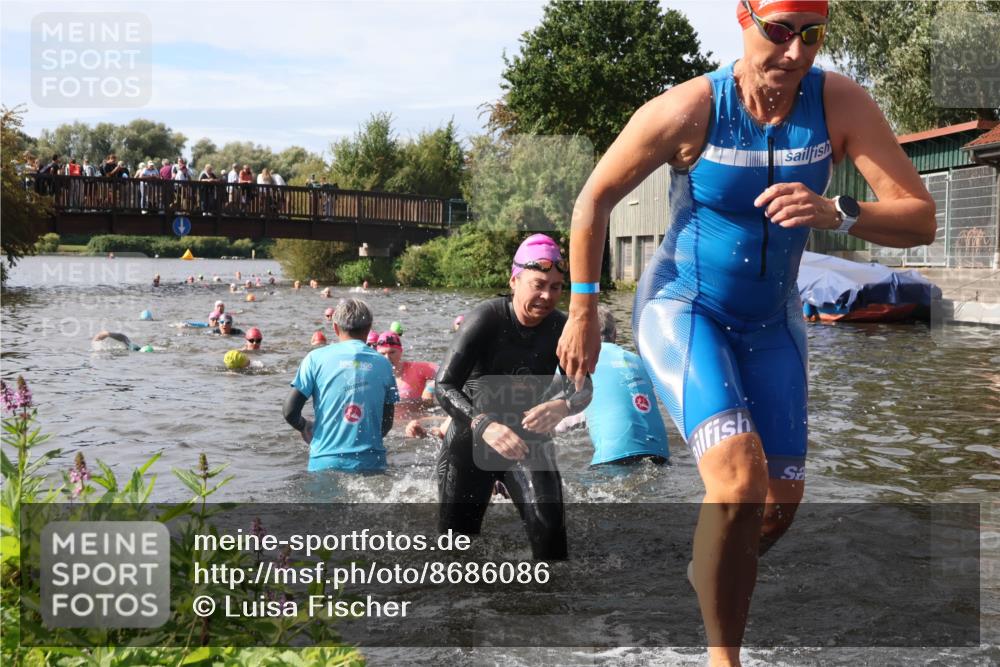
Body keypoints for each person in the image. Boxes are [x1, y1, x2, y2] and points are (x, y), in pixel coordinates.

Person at [555, 2, 936, 664]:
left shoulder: (839, 102)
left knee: (776, 505)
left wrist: (837, 210)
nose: (793, 53)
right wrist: (583, 309)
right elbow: (594, 199)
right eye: (779, 31)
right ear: (744, 17)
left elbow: (920, 218)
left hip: (773, 324)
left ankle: (708, 566)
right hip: (685, 308)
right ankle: (722, 655)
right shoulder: (691, 108)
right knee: (738, 479)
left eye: (810, 35)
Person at [436, 234, 591, 560]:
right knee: (457, 554)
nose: (547, 296)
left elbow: (583, 387)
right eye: (538, 284)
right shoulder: (486, 319)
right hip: (469, 445)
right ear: (514, 280)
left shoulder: (560, 328)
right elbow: (444, 385)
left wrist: (562, 405)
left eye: (556, 287)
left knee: (552, 541)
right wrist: (483, 424)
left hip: (527, 442)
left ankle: (548, 608)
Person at [283, 298, 399, 472]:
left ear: (335, 328)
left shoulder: (315, 359)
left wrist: (305, 426)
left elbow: (289, 412)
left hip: (324, 462)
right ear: (369, 329)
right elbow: (387, 423)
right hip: (372, 463)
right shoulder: (384, 364)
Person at [555, 306, 670, 466]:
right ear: (614, 334)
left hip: (613, 458)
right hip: (661, 455)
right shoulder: (640, 361)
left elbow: (559, 420)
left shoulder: (577, 363)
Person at [374, 331, 437, 405]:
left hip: (421, 415)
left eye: (392, 352)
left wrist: (430, 388)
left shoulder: (417, 369)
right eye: (382, 354)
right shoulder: (374, 376)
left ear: (401, 351)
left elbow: (449, 374)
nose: (387, 357)